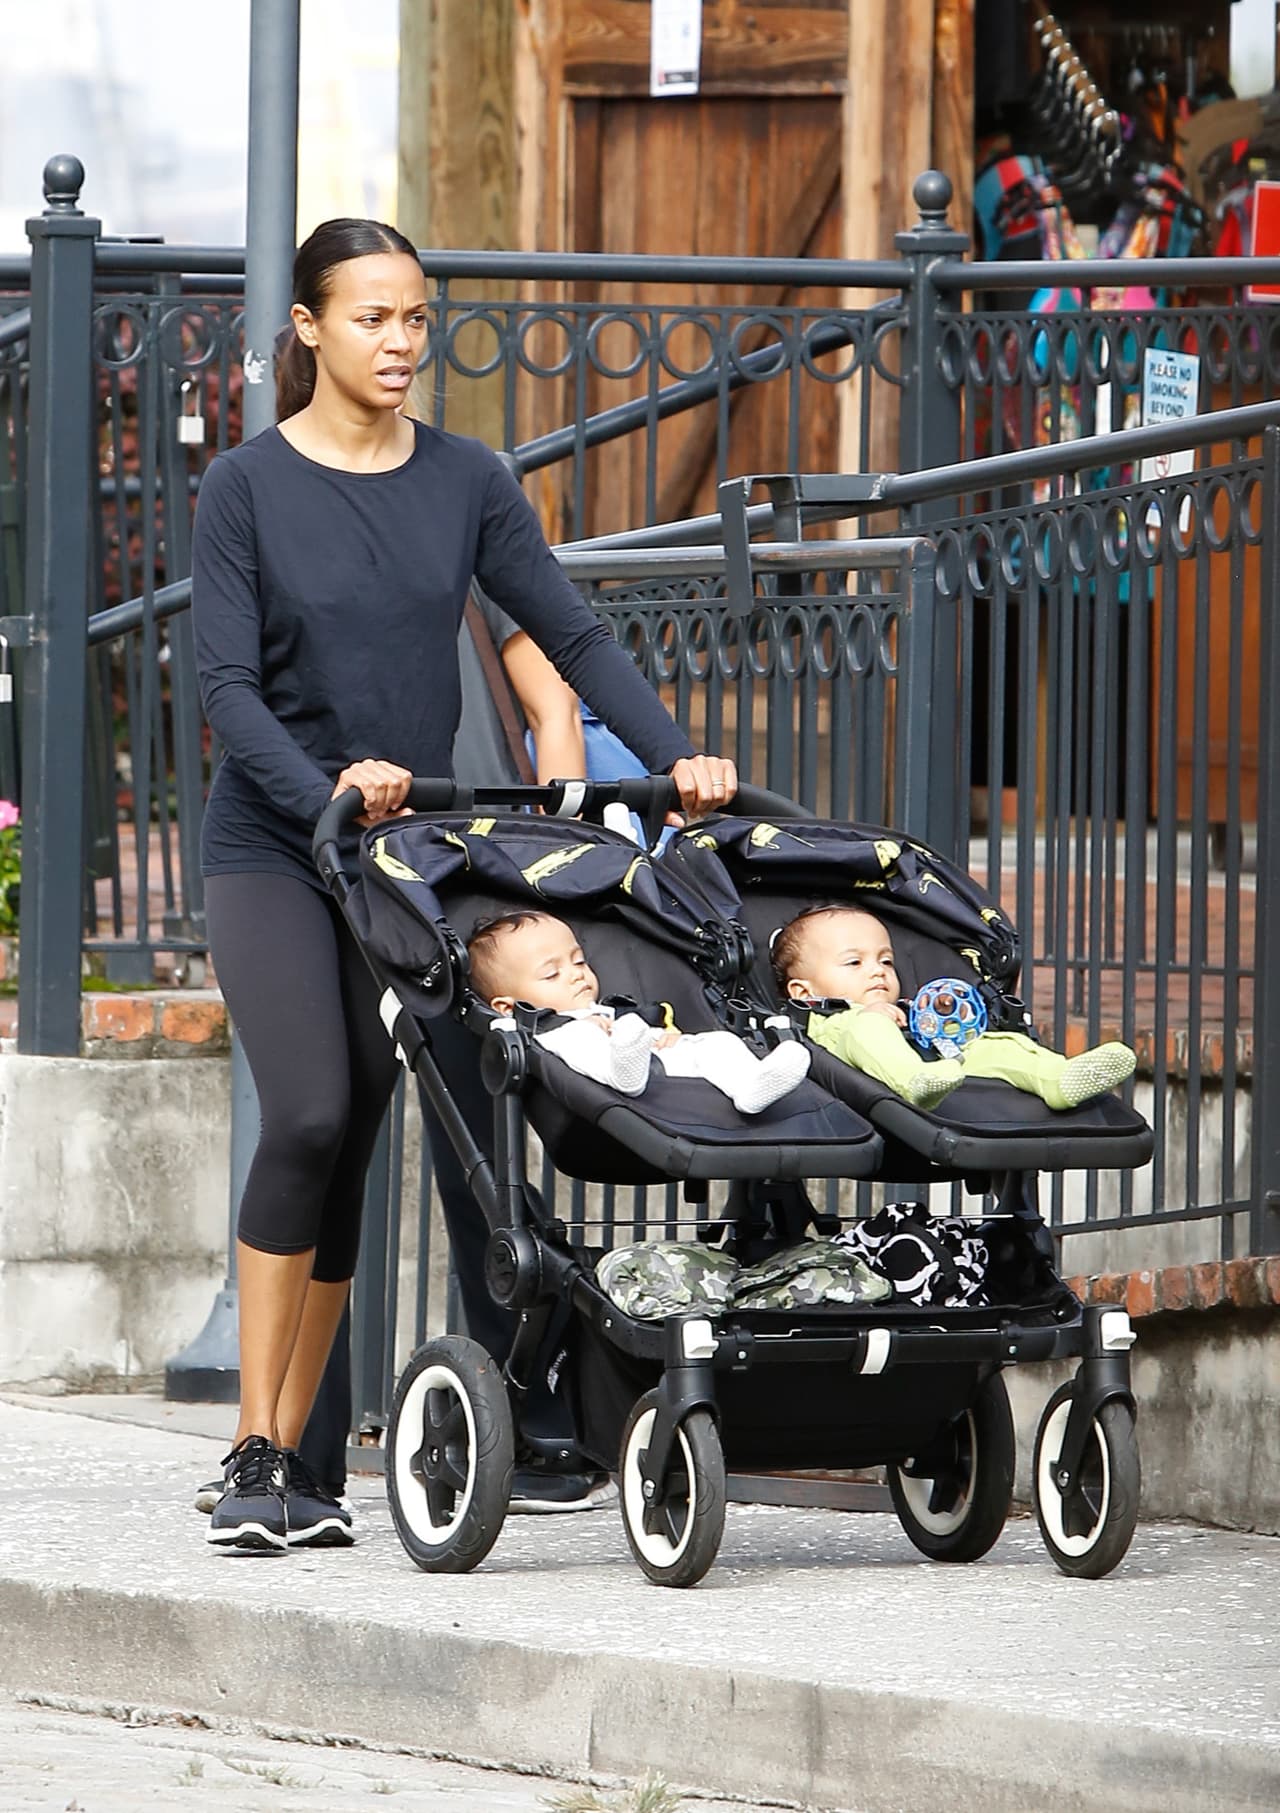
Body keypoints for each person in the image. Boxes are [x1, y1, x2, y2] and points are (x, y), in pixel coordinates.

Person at [191, 214, 736, 1553]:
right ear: (310, 327)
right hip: (275, 842)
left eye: (415, 319)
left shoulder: (466, 481)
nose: (398, 342)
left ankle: (300, 1468)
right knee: (310, 1113)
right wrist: (320, 787)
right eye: (371, 316)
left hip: (402, 858)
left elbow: (570, 629)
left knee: (361, 1129)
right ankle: (261, 1448)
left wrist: (678, 761)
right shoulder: (247, 487)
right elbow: (223, 689)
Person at [771, 905, 1136, 1111]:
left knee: (994, 1044)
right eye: (854, 963)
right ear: (803, 991)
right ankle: (912, 1081)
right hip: (869, 1065)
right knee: (870, 1027)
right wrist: (872, 1016)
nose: (877, 971)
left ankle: (1056, 1078)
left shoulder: (905, 1007)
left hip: (939, 1062)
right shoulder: (824, 1021)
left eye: (886, 961)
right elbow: (860, 1033)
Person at [467, 911, 810, 1115]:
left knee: (717, 1041)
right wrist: (615, 1034)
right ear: (508, 1007)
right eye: (551, 974)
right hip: (611, 1079)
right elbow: (591, 1040)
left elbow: (643, 1030)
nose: (576, 974)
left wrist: (667, 1037)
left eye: (579, 961)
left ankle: (751, 1087)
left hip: (661, 1067)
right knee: (583, 1035)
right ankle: (623, 1074)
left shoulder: (611, 1011)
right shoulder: (547, 1029)